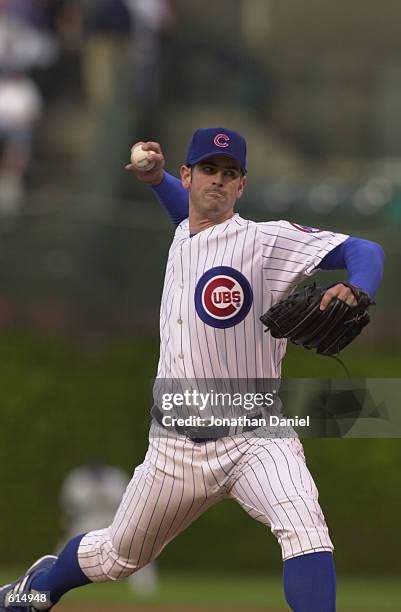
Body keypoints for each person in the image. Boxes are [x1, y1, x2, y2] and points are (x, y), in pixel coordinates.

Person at [0, 127, 384, 612]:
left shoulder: (264, 241)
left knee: (305, 529)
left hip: (256, 435)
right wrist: (158, 180)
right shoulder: (185, 231)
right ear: (189, 175)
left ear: (242, 185)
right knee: (119, 556)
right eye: (208, 170)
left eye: (230, 173)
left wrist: (357, 287)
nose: (218, 181)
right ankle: (39, 587)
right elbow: (189, 218)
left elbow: (365, 251)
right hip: (175, 449)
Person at [58, 461, 158, 596]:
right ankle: (55, 582)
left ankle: (144, 587)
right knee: (67, 548)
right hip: (88, 519)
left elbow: (128, 499)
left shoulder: (115, 477)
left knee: (136, 548)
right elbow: (71, 504)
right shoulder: (78, 478)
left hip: (113, 518)